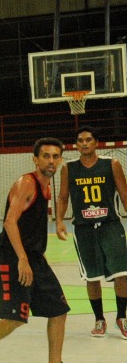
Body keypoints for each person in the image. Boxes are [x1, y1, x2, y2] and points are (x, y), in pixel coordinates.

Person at [0, 138, 89, 363]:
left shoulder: (46, 186)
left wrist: (58, 224)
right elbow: (10, 222)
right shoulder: (27, 183)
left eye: (56, 156)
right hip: (13, 256)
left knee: (59, 310)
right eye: (46, 156)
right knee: (15, 317)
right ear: (35, 159)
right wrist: (22, 259)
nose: (51, 161)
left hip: (34, 257)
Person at [55, 127, 127, 338]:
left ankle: (121, 317)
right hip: (84, 229)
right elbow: (63, 197)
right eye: (80, 141)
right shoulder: (68, 168)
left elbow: (124, 193)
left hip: (110, 225)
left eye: (88, 140)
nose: (84, 143)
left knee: (122, 273)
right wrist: (59, 221)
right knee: (92, 277)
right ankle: (99, 319)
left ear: (96, 142)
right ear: (76, 145)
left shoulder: (111, 164)